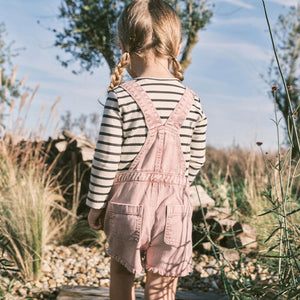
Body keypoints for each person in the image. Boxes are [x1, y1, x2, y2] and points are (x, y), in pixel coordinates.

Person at [87, 0, 207, 299]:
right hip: (174, 209)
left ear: (123, 44)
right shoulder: (192, 101)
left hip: (127, 207)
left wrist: (96, 205)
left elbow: (105, 160)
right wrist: (177, 187)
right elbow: (196, 160)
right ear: (177, 46)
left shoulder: (122, 97)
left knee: (121, 272)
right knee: (163, 284)